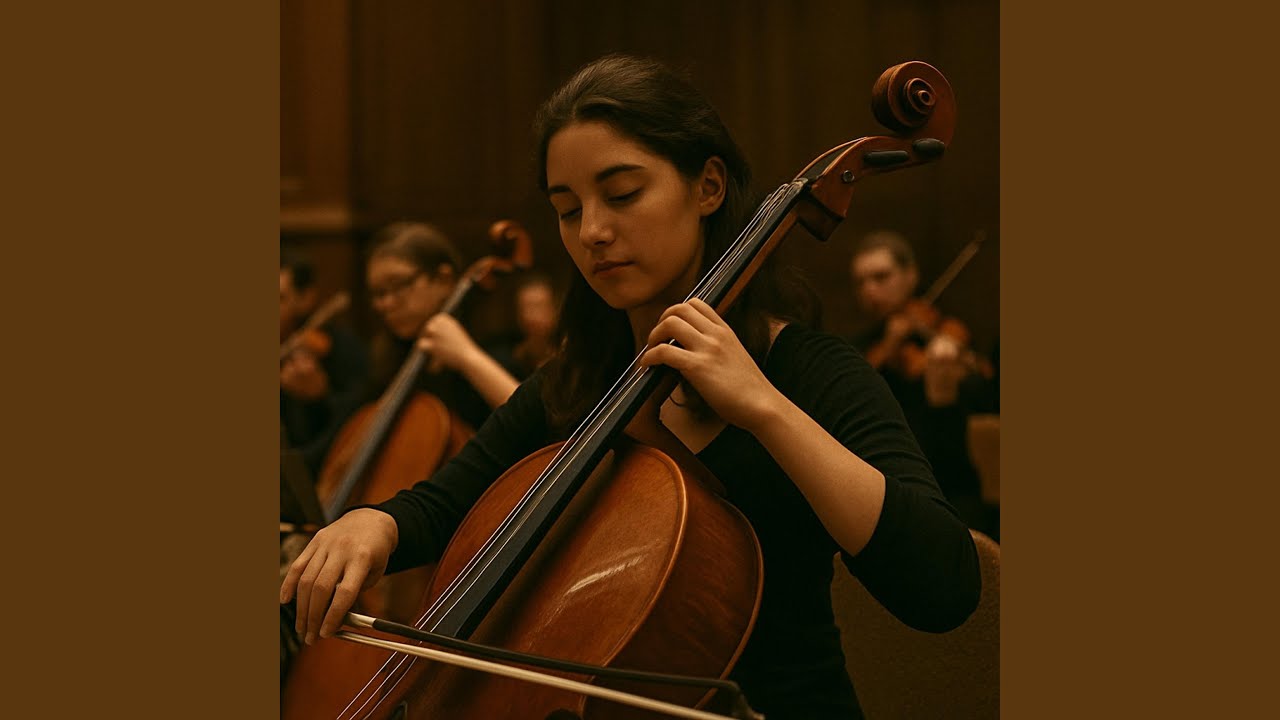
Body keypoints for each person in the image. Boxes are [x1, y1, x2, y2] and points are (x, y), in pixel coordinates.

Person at [282, 55, 980, 719]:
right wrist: (374, 523)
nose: (592, 231)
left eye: (622, 195)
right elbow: (441, 505)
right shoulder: (579, 382)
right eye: (567, 209)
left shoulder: (807, 371)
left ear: (708, 187)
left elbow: (942, 585)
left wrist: (764, 409)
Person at [849, 230, 998, 539]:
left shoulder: (944, 331)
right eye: (861, 282)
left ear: (911, 275)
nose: (870, 290)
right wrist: (889, 346)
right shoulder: (858, 349)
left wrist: (948, 383)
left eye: (881, 277)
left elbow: (986, 398)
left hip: (953, 479)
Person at [363, 221, 525, 428]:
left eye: (399, 285)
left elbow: (534, 425)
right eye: (379, 293)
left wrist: (466, 357)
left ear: (443, 280)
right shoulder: (385, 365)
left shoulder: (499, 351)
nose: (386, 303)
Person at [279, 251, 371, 476]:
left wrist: (318, 398)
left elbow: (352, 433)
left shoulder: (341, 349)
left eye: (279, 298)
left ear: (306, 298)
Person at [484, 270, 560, 380]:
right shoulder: (505, 357)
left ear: (555, 309)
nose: (530, 316)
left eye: (538, 306)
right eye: (524, 308)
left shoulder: (569, 354)